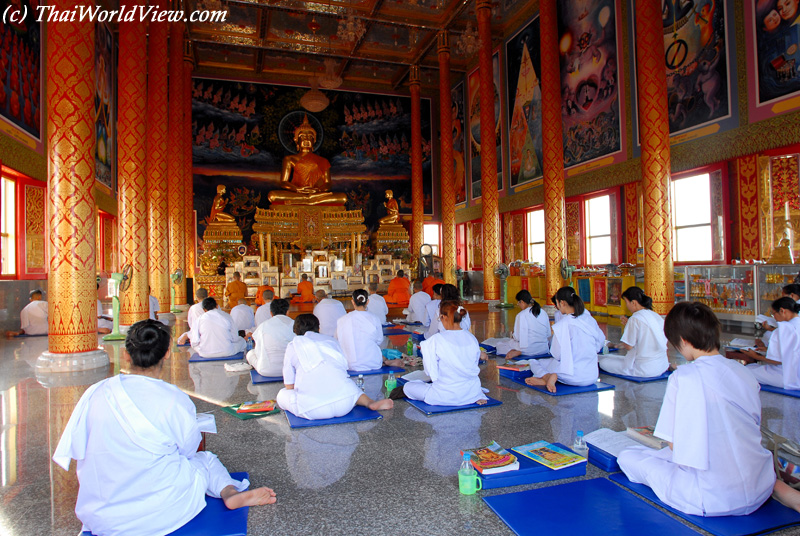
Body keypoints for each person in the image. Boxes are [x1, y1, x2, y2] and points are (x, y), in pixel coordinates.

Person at [52, 320, 276, 536]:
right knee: (205, 460)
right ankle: (229, 493)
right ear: (167, 353)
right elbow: (189, 451)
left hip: (101, 518)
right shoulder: (173, 399)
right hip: (161, 513)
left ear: (125, 354)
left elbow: (76, 449)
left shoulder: (95, 392)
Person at [617, 302, 776, 517]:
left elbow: (674, 444)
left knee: (628, 457)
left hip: (708, 497)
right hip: (760, 487)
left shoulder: (683, 377)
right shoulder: (745, 373)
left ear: (683, 341)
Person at [276, 314, 393, 420]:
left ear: (295, 331)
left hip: (313, 409)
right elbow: (343, 367)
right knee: (350, 386)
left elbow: (289, 385)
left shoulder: (293, 346)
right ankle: (370, 403)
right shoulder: (331, 341)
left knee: (282, 394)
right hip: (345, 404)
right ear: (319, 328)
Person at [390, 302, 487, 406]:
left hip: (444, 394)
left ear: (444, 318)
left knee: (409, 387)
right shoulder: (471, 338)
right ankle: (476, 395)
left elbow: (430, 372)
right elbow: (474, 364)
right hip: (471, 392)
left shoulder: (437, 339)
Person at [524, 287, 604, 393]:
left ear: (562, 303)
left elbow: (557, 355)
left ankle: (547, 377)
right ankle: (549, 377)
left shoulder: (563, 324)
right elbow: (600, 342)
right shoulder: (589, 319)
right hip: (592, 375)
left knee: (534, 362)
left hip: (572, 377)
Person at [267, 115, 347, 206]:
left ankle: (310, 200)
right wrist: (298, 189)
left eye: (310, 136)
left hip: (317, 194)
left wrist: (318, 190)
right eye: (303, 136)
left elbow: (328, 183)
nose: (306, 138)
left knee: (343, 197)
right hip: (297, 193)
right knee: (273, 196)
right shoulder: (289, 159)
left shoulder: (323, 160)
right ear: (296, 140)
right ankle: (309, 200)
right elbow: (283, 182)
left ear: (314, 140)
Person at [600, 286, 669, 377]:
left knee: (603, 362)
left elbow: (628, 346)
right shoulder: (655, 315)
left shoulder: (635, 318)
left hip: (644, 368)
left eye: (626, 302)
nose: (627, 306)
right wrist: (629, 326)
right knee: (611, 358)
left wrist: (627, 329)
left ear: (633, 303)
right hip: (662, 365)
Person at [740, 297, 800, 390]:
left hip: (788, 376)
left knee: (744, 371)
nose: (774, 318)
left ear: (782, 311)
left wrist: (756, 356)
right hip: (796, 372)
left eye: (774, 314)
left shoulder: (783, 329)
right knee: (753, 367)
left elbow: (778, 361)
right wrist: (768, 350)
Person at [336, 289, 399, 372]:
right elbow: (379, 340)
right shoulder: (375, 318)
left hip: (349, 364)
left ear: (352, 302)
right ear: (368, 301)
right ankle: (386, 361)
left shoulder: (342, 320)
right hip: (372, 362)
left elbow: (338, 340)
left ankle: (386, 361)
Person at [247, 299, 295, 377]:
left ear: (271, 313)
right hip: (292, 369)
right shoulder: (296, 325)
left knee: (250, 353)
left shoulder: (263, 326)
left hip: (267, 370)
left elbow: (258, 349)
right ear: (288, 312)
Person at [502, 290, 551, 358]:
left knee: (502, 345)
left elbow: (518, 337)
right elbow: (548, 334)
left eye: (518, 303)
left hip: (528, 351)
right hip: (544, 349)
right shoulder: (543, 312)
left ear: (522, 302)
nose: (518, 304)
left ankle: (517, 352)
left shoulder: (521, 315)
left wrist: (512, 335)